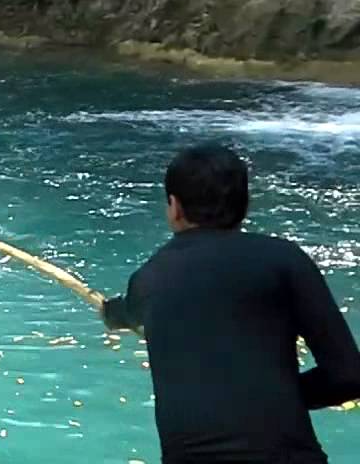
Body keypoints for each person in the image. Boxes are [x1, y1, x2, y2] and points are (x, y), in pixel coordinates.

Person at [100, 143, 360, 463]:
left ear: (174, 207)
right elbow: (349, 376)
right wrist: (277, 396)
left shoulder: (150, 278)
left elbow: (127, 313)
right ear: (245, 205)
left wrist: (110, 314)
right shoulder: (285, 260)